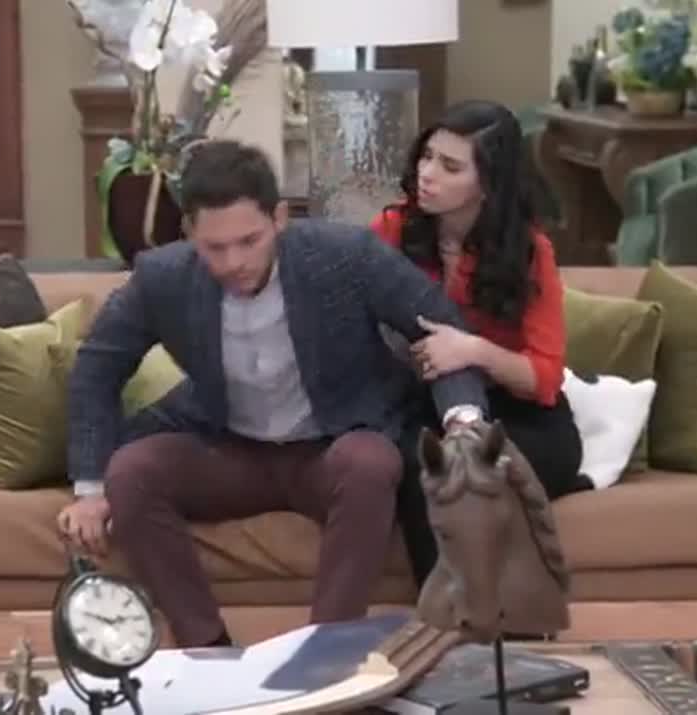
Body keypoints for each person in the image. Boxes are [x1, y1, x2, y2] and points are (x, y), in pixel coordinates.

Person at [57, 139, 489, 648]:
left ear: (279, 218)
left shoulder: (344, 255)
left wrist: (464, 424)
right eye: (215, 247)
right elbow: (98, 365)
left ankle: (326, 652)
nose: (234, 261)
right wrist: (89, 490)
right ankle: (208, 652)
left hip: (330, 446)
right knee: (130, 473)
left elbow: (438, 326)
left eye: (249, 241)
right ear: (189, 232)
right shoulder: (162, 277)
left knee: (371, 462)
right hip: (227, 448)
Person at [369, 100, 592, 586]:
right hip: (423, 404)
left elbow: (545, 377)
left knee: (490, 467)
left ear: (488, 183)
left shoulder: (529, 251)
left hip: (516, 410)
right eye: (427, 156)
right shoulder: (391, 230)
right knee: (426, 469)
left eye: (450, 167)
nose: (427, 174)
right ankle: (447, 609)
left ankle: (493, 608)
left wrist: (472, 351)